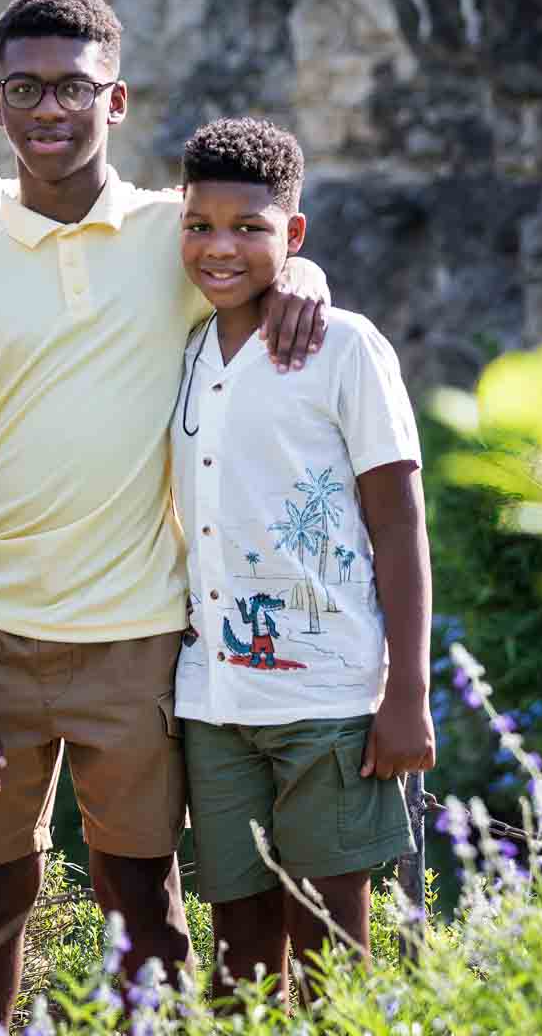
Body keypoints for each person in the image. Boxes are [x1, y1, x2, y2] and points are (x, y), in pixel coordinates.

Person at [0, 0, 330, 1029]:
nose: (50, 109)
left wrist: (307, 271)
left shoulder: (169, 237)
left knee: (142, 894)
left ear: (117, 98)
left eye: (73, 87)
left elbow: (260, 253)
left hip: (140, 639)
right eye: (25, 89)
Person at [170, 117, 434, 1003]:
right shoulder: (189, 349)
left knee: (330, 947)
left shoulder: (344, 346)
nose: (220, 247)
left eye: (250, 228)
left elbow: (399, 526)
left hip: (328, 699)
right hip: (214, 695)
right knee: (240, 956)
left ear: (294, 234)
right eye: (200, 225)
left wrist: (407, 695)